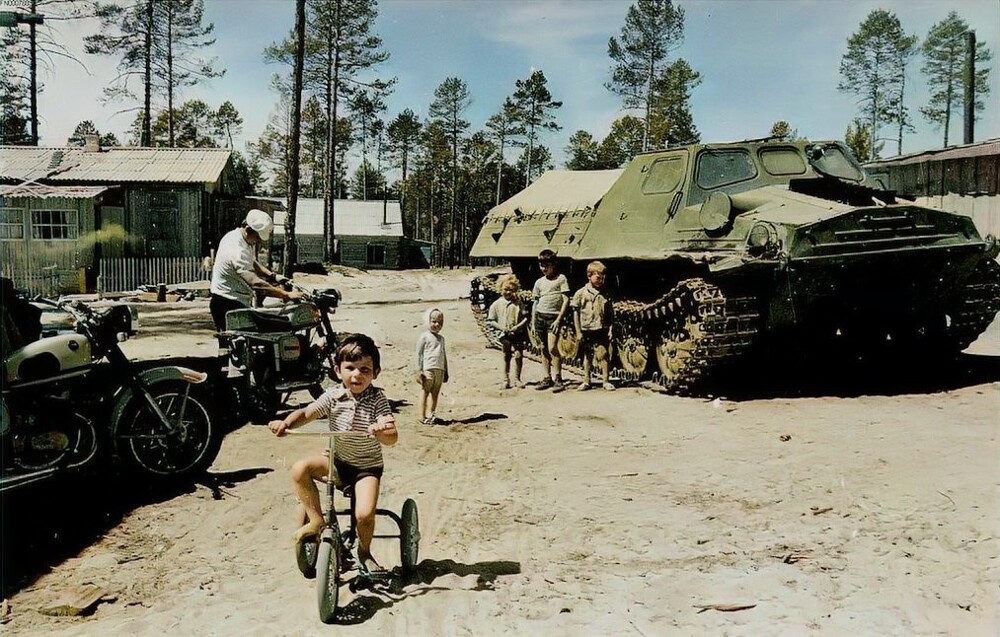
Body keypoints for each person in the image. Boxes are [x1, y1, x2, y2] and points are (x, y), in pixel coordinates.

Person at [268, 333, 398, 577]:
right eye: (350, 368)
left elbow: (392, 435)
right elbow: (307, 413)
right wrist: (286, 424)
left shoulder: (377, 398)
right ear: (338, 370)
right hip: (337, 462)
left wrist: (381, 431)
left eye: (365, 369)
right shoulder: (332, 396)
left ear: (376, 372)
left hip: (366, 468)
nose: (357, 375)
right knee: (299, 469)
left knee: (364, 514)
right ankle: (317, 521)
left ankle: (364, 551)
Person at [209, 208, 304, 331]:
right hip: (227, 303)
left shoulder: (239, 238)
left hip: (233, 300)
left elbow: (252, 262)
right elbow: (256, 283)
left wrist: (273, 276)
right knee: (278, 328)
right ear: (248, 230)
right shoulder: (236, 249)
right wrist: (286, 294)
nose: (258, 242)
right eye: (257, 238)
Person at [571, 261, 615, 391]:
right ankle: (586, 380)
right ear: (589, 276)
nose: (601, 280)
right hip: (586, 328)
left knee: (604, 354)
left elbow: (610, 313)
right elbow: (575, 312)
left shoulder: (606, 293)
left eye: (603, 277)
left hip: (601, 327)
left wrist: (611, 327)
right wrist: (578, 331)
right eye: (598, 277)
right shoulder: (581, 293)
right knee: (587, 355)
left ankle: (606, 380)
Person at [531, 249, 570, 391]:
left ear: (554, 264)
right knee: (543, 349)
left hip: (553, 317)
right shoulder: (539, 282)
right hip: (540, 316)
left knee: (552, 347)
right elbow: (535, 302)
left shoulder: (561, 279)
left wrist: (559, 319)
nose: (543, 268)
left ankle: (558, 377)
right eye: (541, 265)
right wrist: (533, 321)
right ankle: (546, 377)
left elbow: (566, 299)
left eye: (546, 265)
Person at [485, 274, 528, 389]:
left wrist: (518, 327)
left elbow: (525, 317)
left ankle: (517, 379)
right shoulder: (497, 304)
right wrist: (501, 327)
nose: (508, 292)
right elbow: (491, 320)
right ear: (500, 289)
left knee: (518, 355)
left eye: (511, 290)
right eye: (506, 289)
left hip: (517, 333)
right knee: (506, 356)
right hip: (504, 334)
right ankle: (505, 379)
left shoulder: (518, 303)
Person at [415, 308, 449, 425]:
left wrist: (446, 370)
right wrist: (419, 370)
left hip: (439, 369)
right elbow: (419, 354)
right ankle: (421, 415)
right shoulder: (424, 336)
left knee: (435, 393)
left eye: (440, 322)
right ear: (427, 321)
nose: (437, 325)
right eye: (434, 321)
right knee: (425, 391)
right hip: (428, 368)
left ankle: (431, 414)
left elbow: (443, 355)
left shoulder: (442, 339)